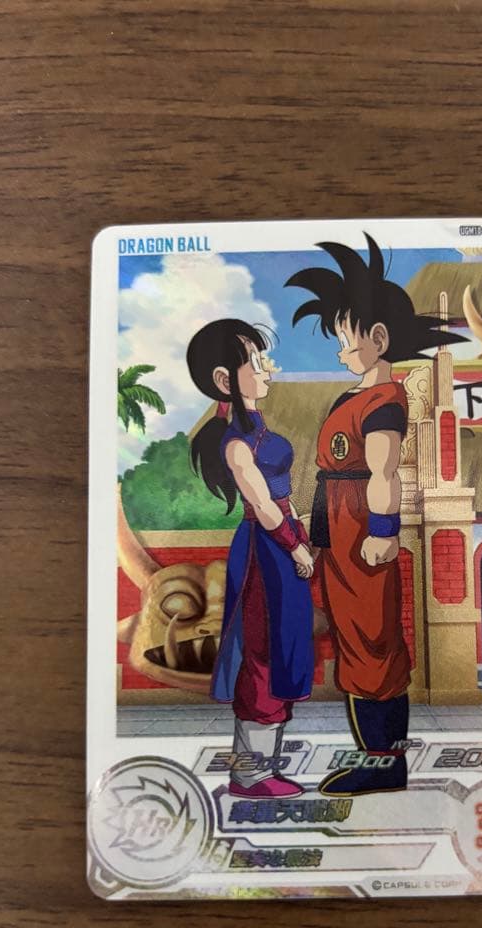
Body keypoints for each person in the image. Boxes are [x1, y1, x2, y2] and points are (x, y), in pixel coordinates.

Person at [286, 235, 464, 795]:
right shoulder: (351, 397)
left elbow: (383, 472)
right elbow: (333, 475)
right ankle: (374, 755)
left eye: (347, 340)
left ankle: (384, 763)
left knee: (372, 641)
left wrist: (384, 531)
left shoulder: (385, 400)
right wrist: (317, 527)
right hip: (338, 526)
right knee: (352, 639)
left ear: (378, 339)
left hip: (363, 529)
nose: (341, 351)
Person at [187, 319, 315, 798]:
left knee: (284, 648)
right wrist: (293, 543)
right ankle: (249, 774)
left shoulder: (259, 432)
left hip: (282, 539)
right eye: (257, 362)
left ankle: (265, 768)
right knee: (261, 651)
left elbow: (280, 496)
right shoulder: (237, 442)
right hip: (266, 549)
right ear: (224, 380)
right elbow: (261, 504)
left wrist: (298, 529)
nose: (268, 369)